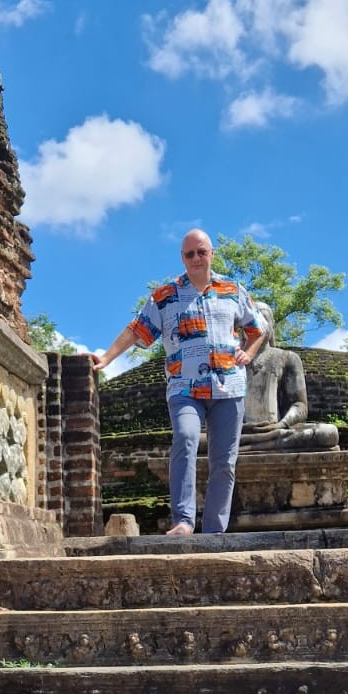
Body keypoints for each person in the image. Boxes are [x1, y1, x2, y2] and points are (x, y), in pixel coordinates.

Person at [94, 229, 265, 534]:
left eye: (202, 252)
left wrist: (249, 354)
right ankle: (184, 521)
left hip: (229, 387)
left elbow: (257, 329)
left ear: (211, 253)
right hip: (184, 386)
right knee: (185, 438)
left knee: (224, 461)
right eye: (190, 254)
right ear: (182, 258)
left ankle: (214, 531)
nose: (197, 258)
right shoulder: (165, 296)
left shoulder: (232, 290)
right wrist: (106, 358)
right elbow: (137, 330)